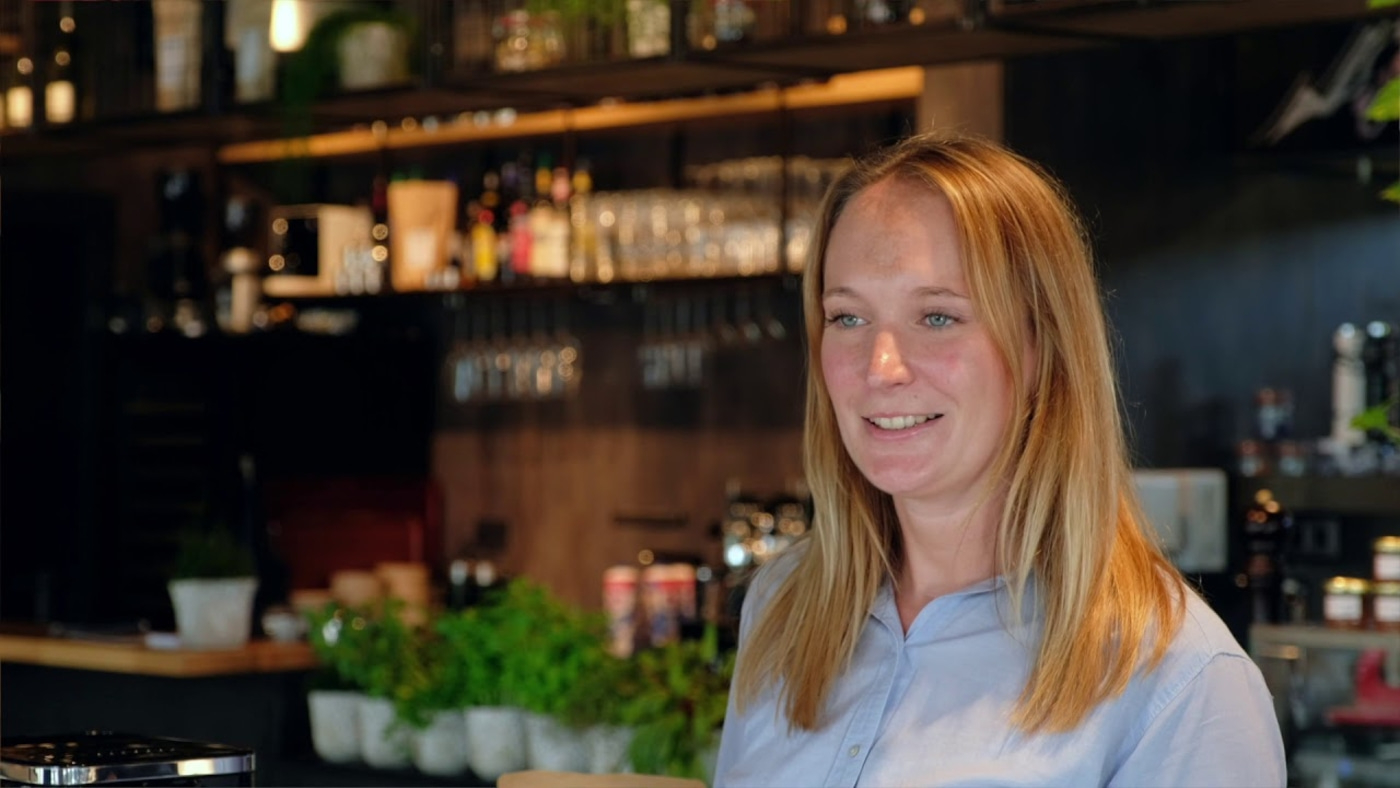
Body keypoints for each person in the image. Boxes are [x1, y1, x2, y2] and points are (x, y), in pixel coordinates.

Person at [712, 133, 1286, 786]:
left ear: (1043, 347)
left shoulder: (1180, 684)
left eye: (937, 317)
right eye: (848, 319)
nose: (881, 367)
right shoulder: (784, 608)